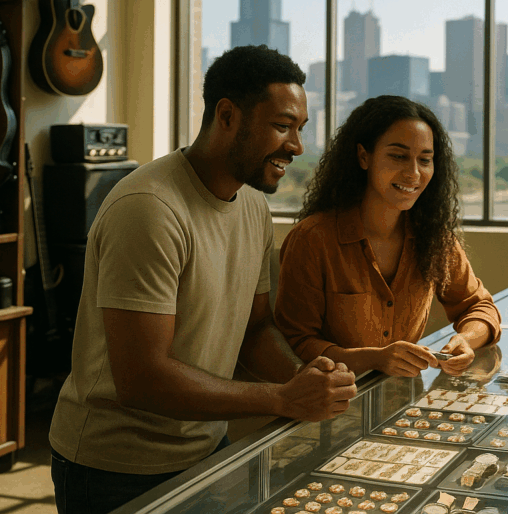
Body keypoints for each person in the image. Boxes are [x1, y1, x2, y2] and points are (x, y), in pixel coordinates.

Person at [49, 46, 357, 514]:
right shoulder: (149, 209)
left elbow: (255, 331)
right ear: (228, 115)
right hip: (114, 469)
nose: (296, 146)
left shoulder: (252, 205)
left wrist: (303, 380)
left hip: (206, 448)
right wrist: (282, 398)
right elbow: (142, 379)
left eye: (300, 129)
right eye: (282, 126)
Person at [274, 95, 501, 378]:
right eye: (398, 156)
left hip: (401, 404)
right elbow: (295, 343)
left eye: (425, 160)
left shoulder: (435, 239)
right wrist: (374, 359)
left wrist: (466, 339)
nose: (414, 173)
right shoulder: (312, 239)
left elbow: (479, 307)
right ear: (363, 156)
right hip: (327, 407)